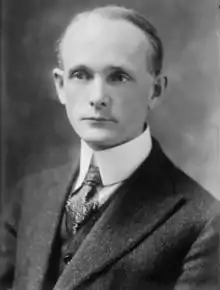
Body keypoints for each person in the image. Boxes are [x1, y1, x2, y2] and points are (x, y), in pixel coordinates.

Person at [0, 5, 219, 290]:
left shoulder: (204, 222)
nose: (98, 97)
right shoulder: (30, 195)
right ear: (61, 86)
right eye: (81, 75)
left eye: (118, 77)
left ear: (155, 91)